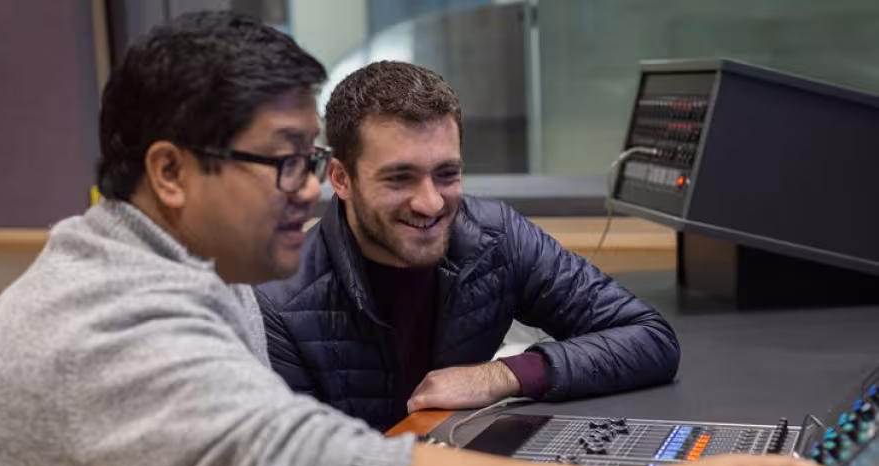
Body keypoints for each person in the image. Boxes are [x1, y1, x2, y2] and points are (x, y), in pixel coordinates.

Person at [0, 11, 841, 466]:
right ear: (170, 173)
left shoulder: (195, 272)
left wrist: (505, 378)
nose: (309, 190)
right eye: (284, 163)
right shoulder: (113, 323)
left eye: (308, 160)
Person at [256, 61, 681, 432]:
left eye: (446, 174)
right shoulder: (278, 302)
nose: (431, 203)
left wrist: (501, 376)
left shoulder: (496, 236)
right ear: (341, 178)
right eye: (399, 178)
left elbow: (649, 337)